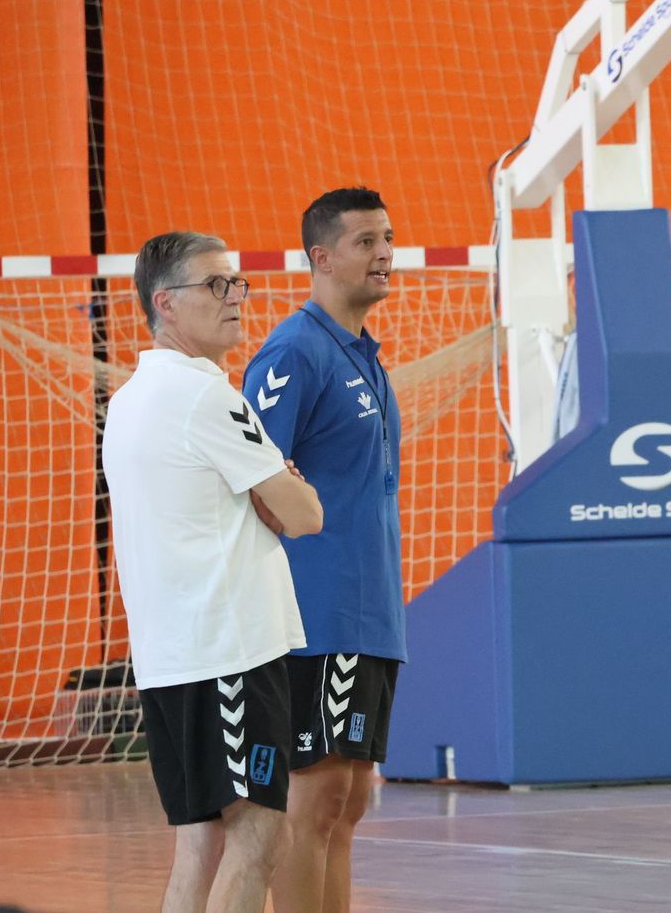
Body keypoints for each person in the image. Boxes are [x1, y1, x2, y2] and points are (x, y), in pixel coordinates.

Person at [102, 231, 323, 913]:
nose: (234, 298)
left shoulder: (132, 399)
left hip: (173, 657)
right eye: (215, 286)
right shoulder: (209, 399)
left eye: (236, 283)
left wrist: (269, 497)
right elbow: (307, 512)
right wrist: (276, 493)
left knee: (199, 847)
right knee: (257, 839)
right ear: (165, 304)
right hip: (227, 652)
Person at [242, 187, 406, 913]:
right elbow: (252, 477)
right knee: (311, 804)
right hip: (315, 616)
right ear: (321, 256)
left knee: (350, 802)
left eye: (388, 238)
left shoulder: (364, 356)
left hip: (371, 618)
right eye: (366, 241)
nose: (385, 254)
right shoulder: (294, 351)